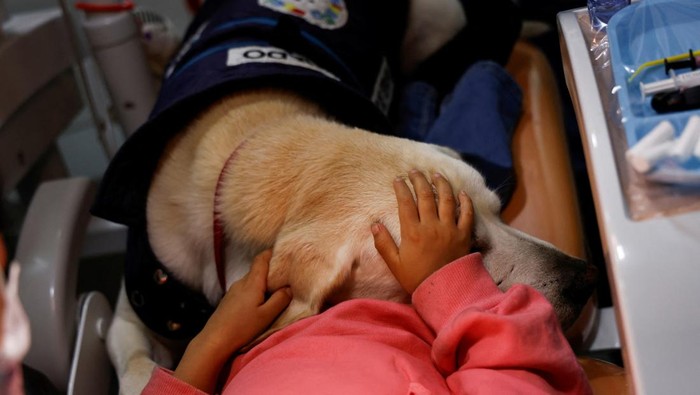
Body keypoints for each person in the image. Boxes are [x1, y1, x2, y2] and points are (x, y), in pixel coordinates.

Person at [141, 171, 593, 394]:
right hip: (425, 306)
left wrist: (209, 345)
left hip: (255, 337)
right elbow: (527, 380)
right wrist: (452, 284)